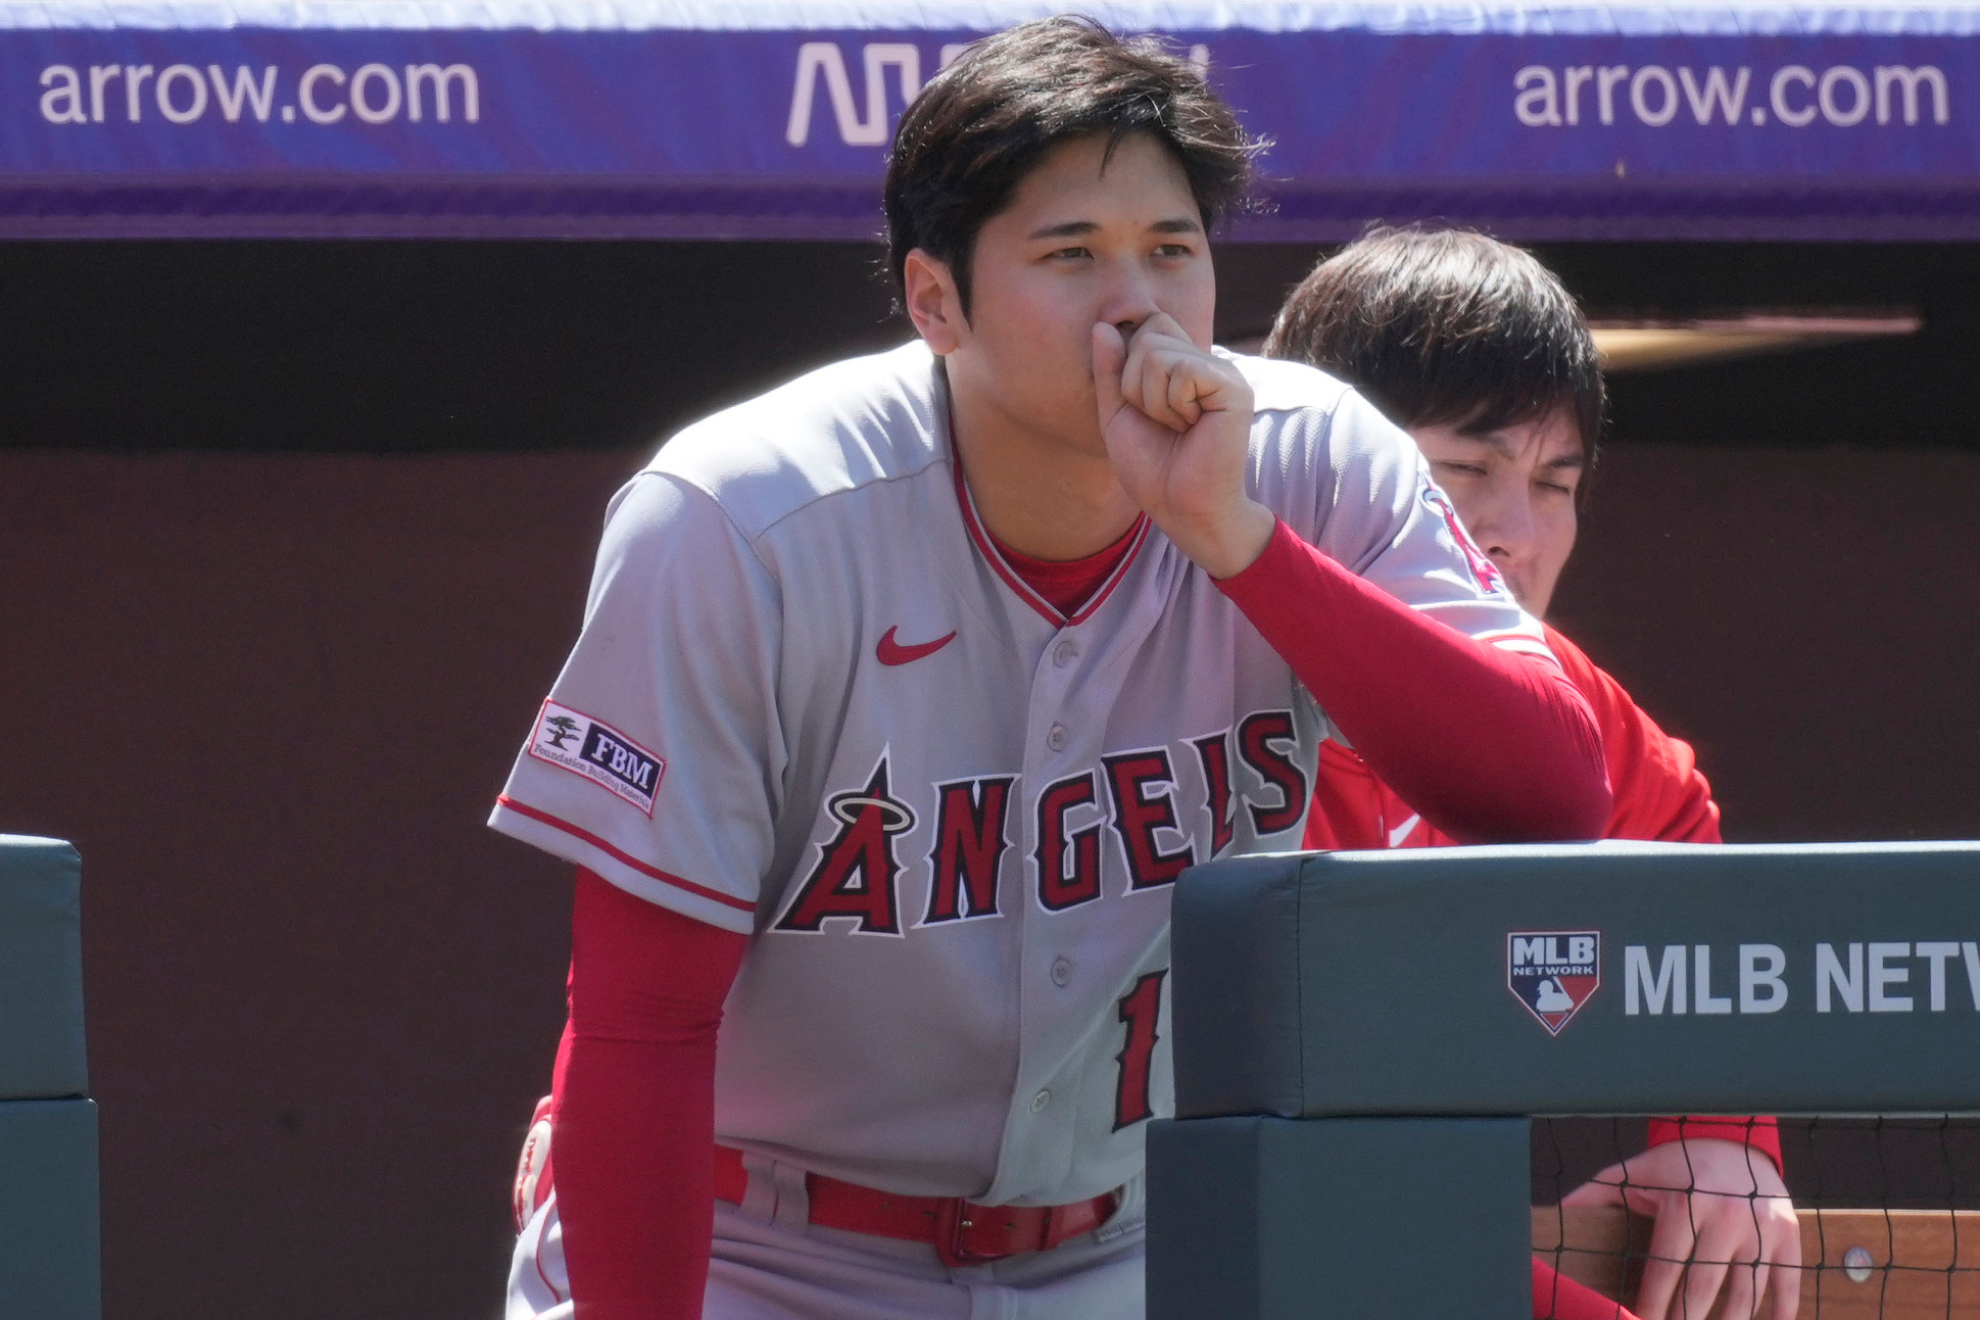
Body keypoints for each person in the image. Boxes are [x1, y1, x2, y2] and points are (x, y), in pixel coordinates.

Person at [492, 23, 1611, 1320]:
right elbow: (642, 1025)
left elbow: (1553, 796)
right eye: (1071, 253)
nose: (1136, 304)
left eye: (1172, 249)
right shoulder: (743, 521)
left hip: (1129, 1243)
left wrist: (1239, 542)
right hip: (769, 1251)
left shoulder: (1308, 462)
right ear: (935, 301)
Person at [1266, 226, 1801, 1320]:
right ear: (1314, 466)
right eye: (1464, 469)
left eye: (1555, 483)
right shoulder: (1182, 693)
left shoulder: (1561, 705)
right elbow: (1317, 1220)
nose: (1511, 532)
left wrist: (1718, 1132)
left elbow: (1677, 829)